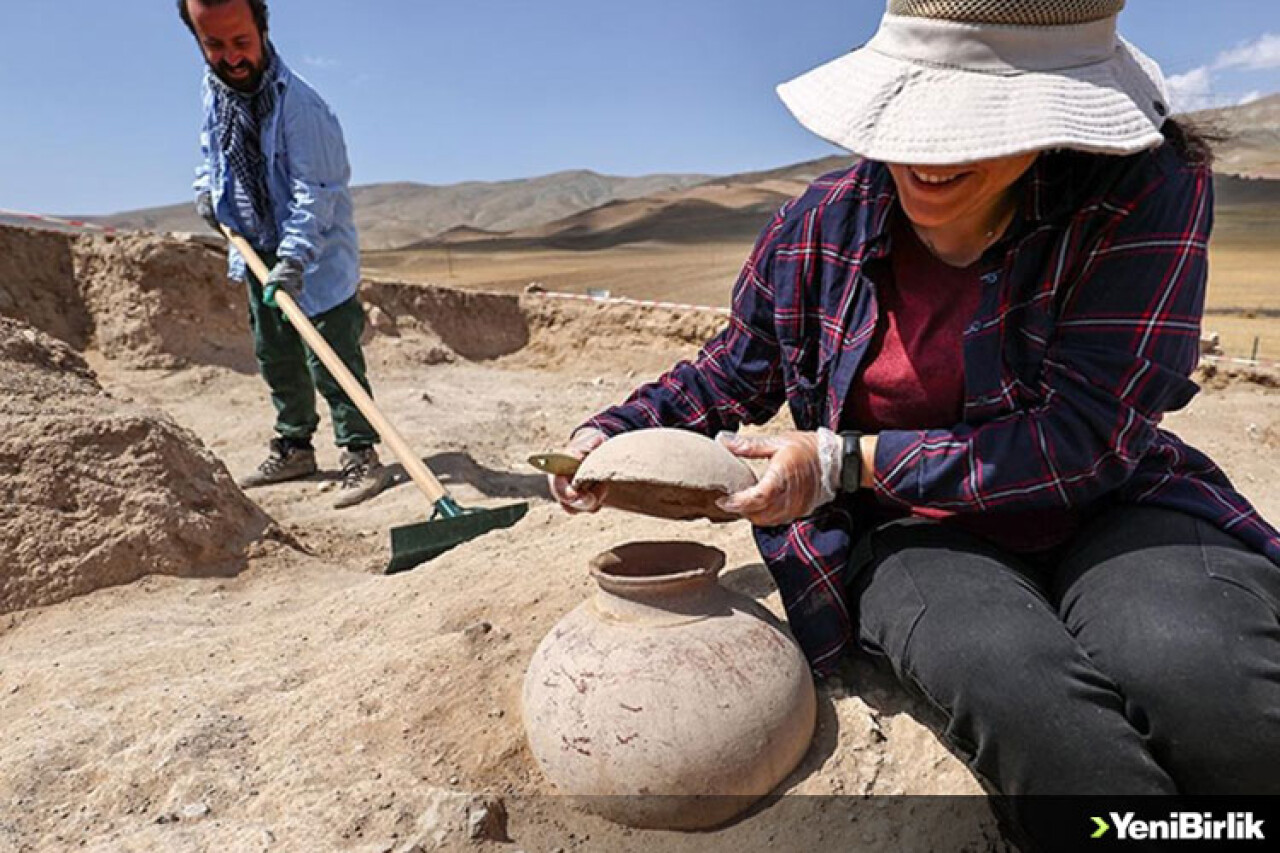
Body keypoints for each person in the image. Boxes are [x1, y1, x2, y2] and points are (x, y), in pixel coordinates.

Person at [549, 0, 1280, 847]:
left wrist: (840, 460)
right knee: (1032, 704)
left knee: (1206, 679)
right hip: (913, 531)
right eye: (919, 117)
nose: (931, 154)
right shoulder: (817, 226)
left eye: (978, 122)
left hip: (1111, 500)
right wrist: (610, 433)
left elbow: (1085, 438)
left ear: (1057, 123)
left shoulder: (1145, 192)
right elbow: (732, 370)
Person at [180, 0, 391, 508]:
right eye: (215, 45)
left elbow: (316, 195)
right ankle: (295, 446)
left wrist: (293, 260)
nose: (231, 58)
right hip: (256, 245)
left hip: (314, 252)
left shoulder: (303, 108)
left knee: (332, 355)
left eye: (241, 42)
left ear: (263, 29)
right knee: (274, 353)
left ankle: (361, 453)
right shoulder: (215, 92)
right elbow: (212, 151)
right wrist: (206, 189)